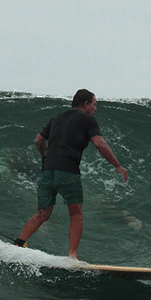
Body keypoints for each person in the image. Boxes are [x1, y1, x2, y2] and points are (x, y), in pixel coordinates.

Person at [14, 89, 128, 260]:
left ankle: (19, 244)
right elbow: (100, 144)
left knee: (42, 213)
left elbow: (38, 140)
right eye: (94, 104)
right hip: (67, 171)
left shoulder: (57, 118)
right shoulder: (88, 120)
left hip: (47, 170)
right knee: (76, 214)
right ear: (86, 104)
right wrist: (118, 166)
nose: (95, 109)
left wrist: (46, 156)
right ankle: (72, 255)